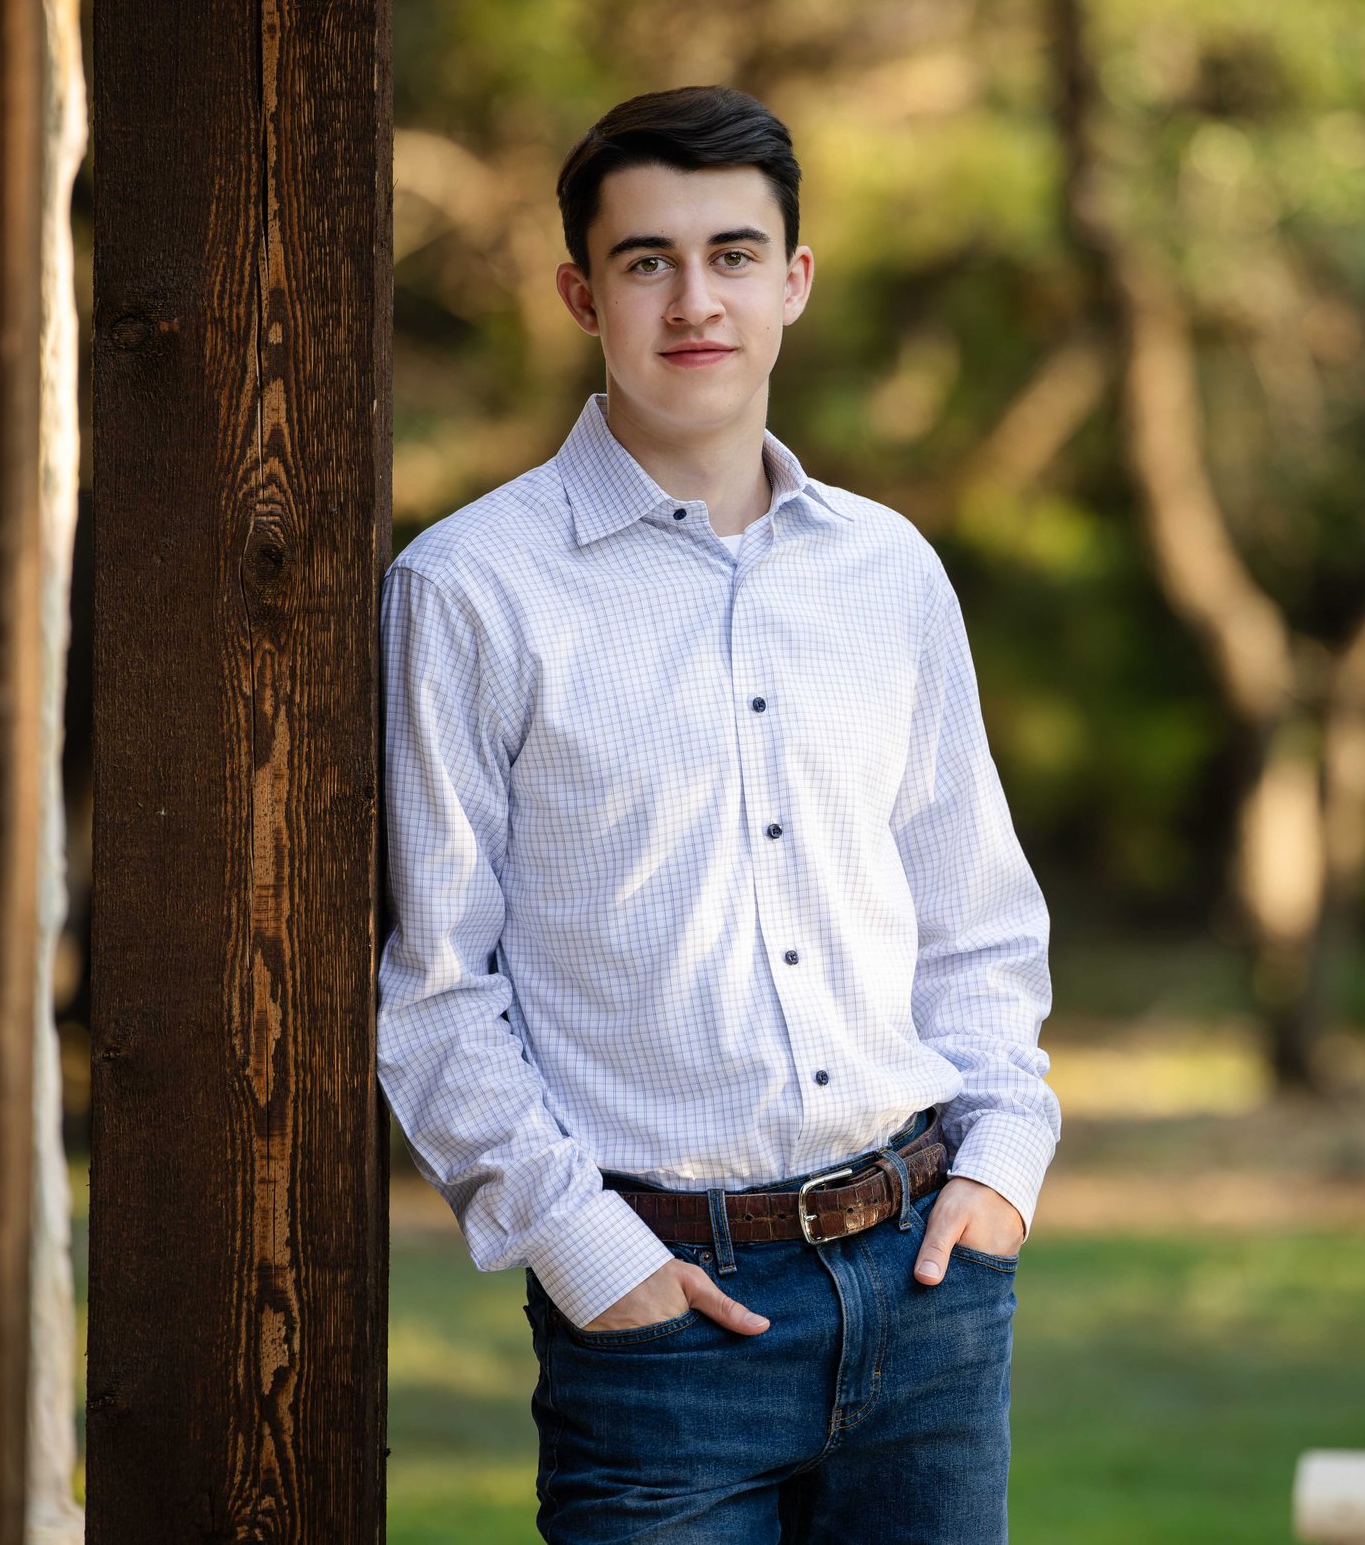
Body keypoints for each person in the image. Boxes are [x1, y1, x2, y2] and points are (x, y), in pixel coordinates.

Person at [375, 83, 1061, 1544]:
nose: (698, 300)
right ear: (582, 292)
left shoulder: (890, 573)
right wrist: (586, 1254)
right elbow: (437, 987)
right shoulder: (470, 591)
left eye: (735, 255)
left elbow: (976, 918)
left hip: (929, 1294)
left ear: (794, 282)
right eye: (648, 261)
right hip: (661, 1327)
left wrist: (1001, 1169)